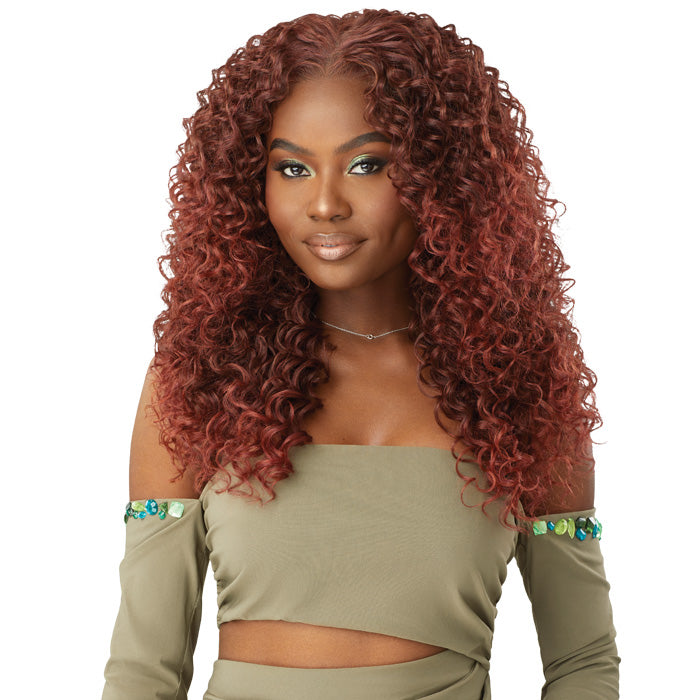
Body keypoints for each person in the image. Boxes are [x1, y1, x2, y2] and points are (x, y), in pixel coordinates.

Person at [102, 9, 620, 699]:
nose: (324, 204)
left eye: (367, 165)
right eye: (291, 168)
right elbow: (143, 671)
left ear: (442, 177)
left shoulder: (518, 382)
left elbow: (583, 663)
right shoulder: (199, 374)